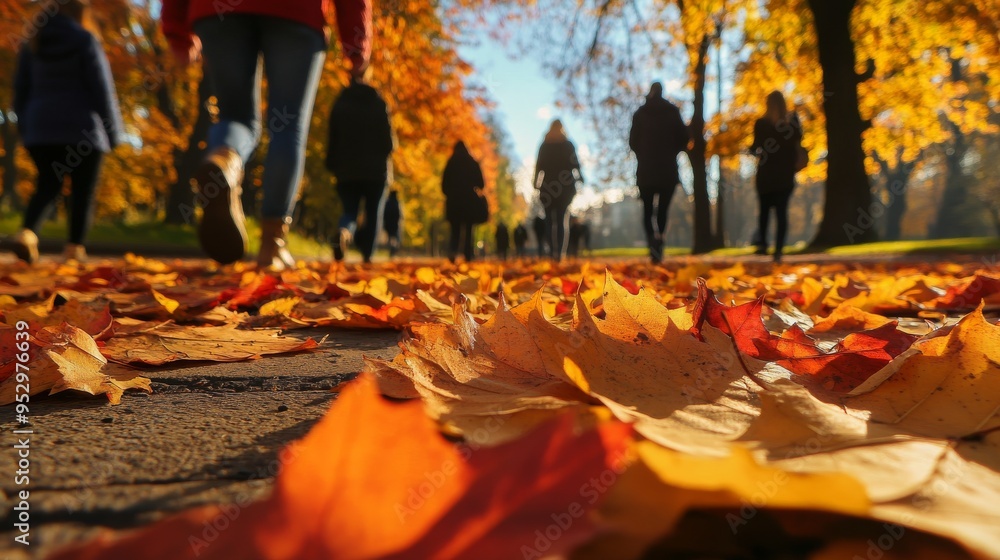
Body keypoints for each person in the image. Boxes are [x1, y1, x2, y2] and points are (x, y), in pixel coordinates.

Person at [161, 0, 371, 270]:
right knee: (287, 126)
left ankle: (225, 158)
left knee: (235, 115)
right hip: (297, 13)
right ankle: (272, 246)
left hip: (217, 12)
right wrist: (356, 44)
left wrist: (175, 27)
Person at [8, 0, 123, 264]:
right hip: (83, 130)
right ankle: (74, 250)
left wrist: (26, 129)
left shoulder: (32, 43)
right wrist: (113, 132)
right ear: (79, 13)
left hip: (41, 129)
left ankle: (27, 233)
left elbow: (19, 94)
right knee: (83, 192)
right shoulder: (85, 40)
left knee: (48, 185)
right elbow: (103, 90)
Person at [326, 79, 394, 263]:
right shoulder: (379, 104)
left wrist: (332, 164)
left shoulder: (340, 104)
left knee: (350, 211)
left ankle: (344, 231)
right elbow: (389, 143)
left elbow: (332, 137)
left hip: (346, 171)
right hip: (376, 172)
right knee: (374, 214)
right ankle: (367, 257)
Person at [629, 82, 690, 264]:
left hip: (646, 170)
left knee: (648, 210)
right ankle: (660, 239)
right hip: (667, 169)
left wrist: (644, 153)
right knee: (662, 210)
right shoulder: (672, 112)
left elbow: (632, 141)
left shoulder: (641, 113)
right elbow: (684, 138)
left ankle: (652, 241)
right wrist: (672, 151)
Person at [750, 91, 803, 263]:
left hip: (766, 173)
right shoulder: (792, 121)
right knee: (781, 212)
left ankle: (763, 245)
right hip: (785, 174)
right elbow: (798, 141)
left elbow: (755, 147)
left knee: (764, 211)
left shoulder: (761, 124)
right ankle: (778, 249)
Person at [533, 120, 583, 261]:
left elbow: (539, 166)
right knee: (561, 219)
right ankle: (559, 254)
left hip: (548, 186)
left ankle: (552, 253)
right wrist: (580, 177)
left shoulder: (545, 145)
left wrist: (535, 182)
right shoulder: (567, 144)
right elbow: (575, 164)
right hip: (565, 187)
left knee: (549, 220)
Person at [441, 141, 486, 263]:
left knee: (455, 229)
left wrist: (450, 193)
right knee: (469, 229)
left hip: (454, 201)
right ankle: (468, 255)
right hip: (469, 201)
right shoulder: (472, 162)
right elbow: (481, 184)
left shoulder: (451, 163)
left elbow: (444, 185)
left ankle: (453, 252)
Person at [382, 189, 402, 258]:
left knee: (391, 237)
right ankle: (392, 251)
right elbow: (399, 214)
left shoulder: (387, 202)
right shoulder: (397, 203)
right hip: (395, 224)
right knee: (395, 238)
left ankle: (391, 250)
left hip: (388, 224)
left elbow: (384, 214)